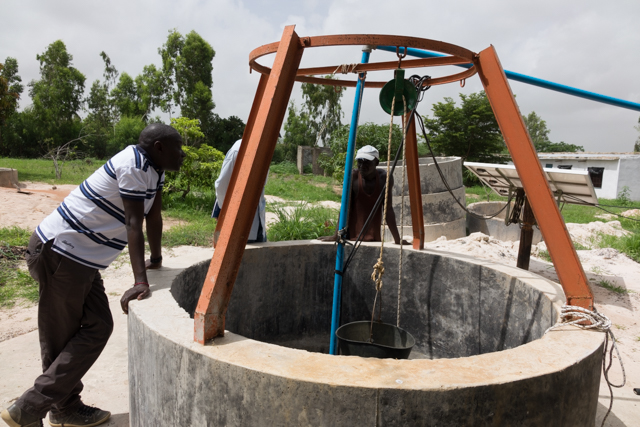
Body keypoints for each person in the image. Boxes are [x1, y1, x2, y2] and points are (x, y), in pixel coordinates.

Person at [1, 124, 185, 427]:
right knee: (60, 337)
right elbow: (133, 221)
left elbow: (154, 217)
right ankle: (39, 408)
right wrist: (140, 281)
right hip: (60, 252)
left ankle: (56, 408)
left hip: (82, 259)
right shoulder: (133, 166)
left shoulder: (154, 169)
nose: (183, 153)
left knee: (99, 325)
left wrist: (156, 258)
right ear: (158, 147)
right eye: (178, 147)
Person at [322, 145, 407, 245]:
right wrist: (336, 234)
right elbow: (346, 208)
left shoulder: (384, 178)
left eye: (366, 162)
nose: (362, 166)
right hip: (352, 237)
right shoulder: (353, 177)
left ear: (376, 163)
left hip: (373, 237)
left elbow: (388, 209)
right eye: (360, 162)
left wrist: (397, 239)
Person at [212, 139, 266, 244]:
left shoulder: (263, 151)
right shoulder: (239, 150)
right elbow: (222, 184)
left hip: (257, 222)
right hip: (237, 223)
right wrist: (225, 213)